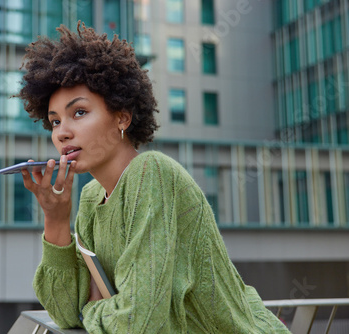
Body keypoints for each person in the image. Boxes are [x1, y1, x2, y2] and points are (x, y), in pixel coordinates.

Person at [18, 22, 290, 333]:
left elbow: (139, 322)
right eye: (54, 121)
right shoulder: (92, 199)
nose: (63, 132)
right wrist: (55, 219)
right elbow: (65, 313)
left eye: (79, 112)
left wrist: (91, 311)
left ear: (122, 117)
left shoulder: (153, 174)